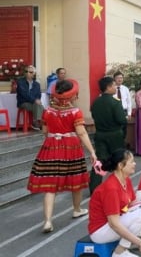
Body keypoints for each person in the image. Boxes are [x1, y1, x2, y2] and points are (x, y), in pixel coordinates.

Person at [27, 79, 97, 233]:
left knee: (50, 187)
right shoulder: (75, 112)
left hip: (51, 146)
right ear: (72, 96)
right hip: (71, 146)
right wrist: (92, 152)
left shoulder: (48, 111)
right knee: (76, 179)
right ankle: (77, 209)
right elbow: (81, 132)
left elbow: (45, 131)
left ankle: (47, 221)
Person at [89, 149, 141, 257]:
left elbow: (136, 206)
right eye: (131, 161)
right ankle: (119, 252)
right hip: (100, 231)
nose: (135, 164)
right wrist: (140, 243)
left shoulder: (126, 180)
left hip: (110, 225)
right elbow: (114, 224)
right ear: (121, 165)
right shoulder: (111, 188)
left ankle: (123, 248)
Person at [90, 76, 128, 194]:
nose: (116, 88)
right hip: (115, 135)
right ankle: (121, 185)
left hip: (100, 134)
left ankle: (94, 188)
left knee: (100, 161)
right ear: (108, 87)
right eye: (113, 85)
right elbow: (122, 120)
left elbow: (94, 117)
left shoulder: (95, 102)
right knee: (120, 160)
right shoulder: (115, 102)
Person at [16, 65, 44, 130]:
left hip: (34, 103)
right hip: (23, 102)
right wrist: (35, 100)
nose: (28, 73)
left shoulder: (37, 84)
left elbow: (39, 95)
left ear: (34, 74)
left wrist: (37, 100)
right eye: (26, 71)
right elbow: (24, 94)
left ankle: (36, 122)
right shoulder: (20, 82)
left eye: (30, 72)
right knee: (40, 106)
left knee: (38, 105)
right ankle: (36, 122)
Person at [114, 72, 133, 140]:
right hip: (115, 112)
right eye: (118, 78)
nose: (120, 79)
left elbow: (129, 101)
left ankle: (122, 145)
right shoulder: (111, 89)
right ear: (114, 79)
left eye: (121, 78)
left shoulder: (125, 88)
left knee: (124, 130)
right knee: (116, 129)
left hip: (124, 111)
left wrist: (129, 113)